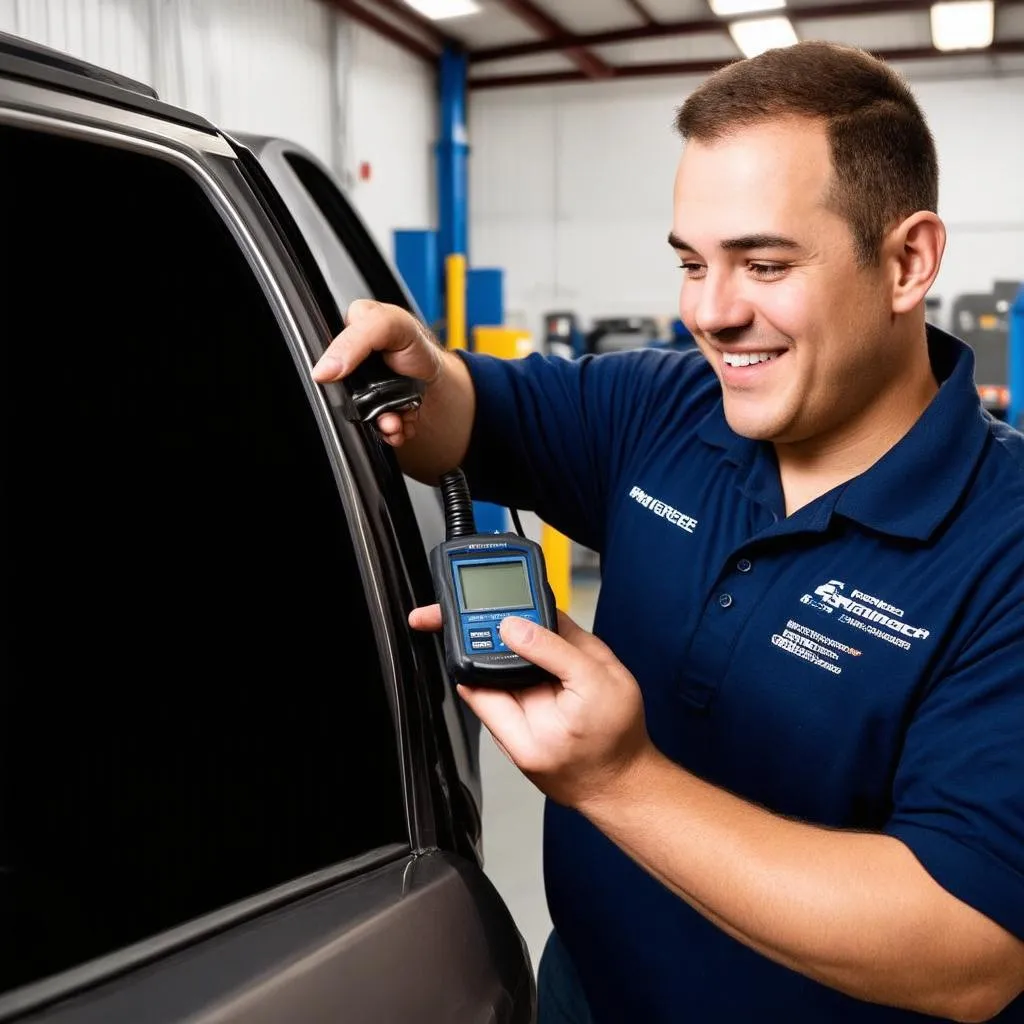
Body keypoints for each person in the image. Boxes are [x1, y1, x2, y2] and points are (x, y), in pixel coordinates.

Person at [312, 41, 1024, 1023]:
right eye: (692, 261)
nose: (710, 312)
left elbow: (968, 948)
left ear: (907, 261)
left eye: (763, 264)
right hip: (584, 995)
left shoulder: (1005, 542)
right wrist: (416, 366)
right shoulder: (662, 404)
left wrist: (618, 780)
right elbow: (468, 411)